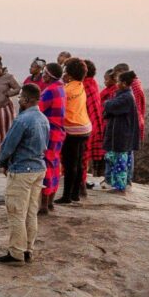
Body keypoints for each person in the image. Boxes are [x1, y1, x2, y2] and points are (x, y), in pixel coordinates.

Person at [0, 85, 49, 265]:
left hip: (22, 170)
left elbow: (7, 147)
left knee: (16, 212)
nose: (18, 100)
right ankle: (28, 250)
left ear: (26, 100)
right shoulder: (43, 119)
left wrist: (3, 163)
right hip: (38, 168)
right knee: (31, 212)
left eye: (20, 98)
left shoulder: (22, 120)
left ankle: (16, 253)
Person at [56, 58, 92, 205]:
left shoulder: (66, 90)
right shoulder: (80, 85)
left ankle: (66, 196)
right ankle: (75, 194)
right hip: (85, 128)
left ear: (69, 74)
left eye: (65, 70)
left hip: (72, 130)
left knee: (69, 164)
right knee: (78, 162)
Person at [103, 71, 141, 194]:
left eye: (119, 81)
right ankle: (118, 184)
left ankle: (120, 187)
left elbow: (111, 106)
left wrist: (107, 103)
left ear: (124, 83)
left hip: (122, 135)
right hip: (123, 134)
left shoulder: (126, 97)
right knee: (120, 160)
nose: (117, 83)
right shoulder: (124, 95)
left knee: (120, 161)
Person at [37, 63, 67, 215]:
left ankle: (43, 204)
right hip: (58, 132)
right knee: (55, 164)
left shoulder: (50, 91)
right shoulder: (60, 88)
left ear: (49, 76)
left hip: (49, 132)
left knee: (46, 165)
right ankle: (50, 202)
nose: (42, 75)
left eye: (44, 72)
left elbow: (37, 109)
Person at [112, 63, 147, 186]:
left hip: (131, 121)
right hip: (134, 119)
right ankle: (126, 180)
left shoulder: (132, 88)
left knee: (126, 151)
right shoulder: (135, 84)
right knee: (128, 151)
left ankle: (124, 181)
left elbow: (130, 106)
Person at [82, 60, 105, 184]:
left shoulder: (86, 85)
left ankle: (81, 182)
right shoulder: (92, 83)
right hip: (90, 123)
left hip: (85, 124)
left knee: (82, 155)